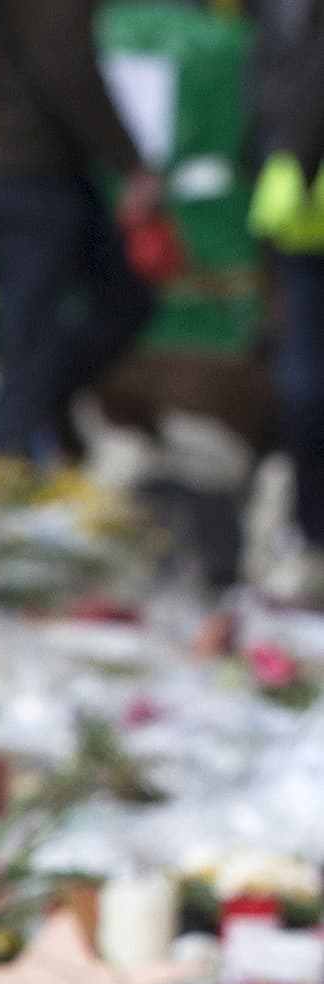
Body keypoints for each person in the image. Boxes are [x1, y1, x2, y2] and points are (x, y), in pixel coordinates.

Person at [0, 0, 155, 462]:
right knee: (34, 333)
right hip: (32, 166)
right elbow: (66, 65)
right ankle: (0, 444)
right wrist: (129, 162)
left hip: (13, 163)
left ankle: (6, 419)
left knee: (47, 325)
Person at [261, 0, 324, 584]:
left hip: (301, 213)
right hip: (306, 222)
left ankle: (308, 532)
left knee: (305, 387)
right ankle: (308, 532)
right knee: (304, 389)